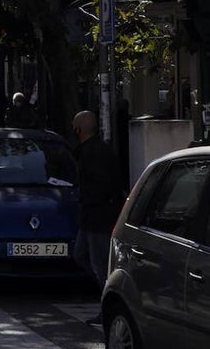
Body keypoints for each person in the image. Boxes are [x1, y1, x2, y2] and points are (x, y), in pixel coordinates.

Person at [72, 109, 124, 325]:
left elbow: (101, 185)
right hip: (92, 217)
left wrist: (87, 197)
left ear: (78, 129)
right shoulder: (96, 149)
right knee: (80, 254)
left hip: (98, 217)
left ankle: (108, 310)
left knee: (100, 266)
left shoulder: (93, 152)